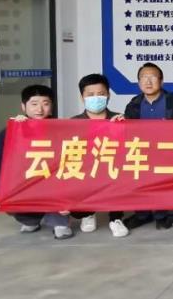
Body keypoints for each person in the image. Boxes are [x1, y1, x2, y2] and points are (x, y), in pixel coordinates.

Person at [0, 85, 74, 240]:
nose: (39, 109)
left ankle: (59, 221)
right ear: (23, 106)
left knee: (61, 192)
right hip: (26, 183)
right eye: (34, 104)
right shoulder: (10, 132)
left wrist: (73, 197)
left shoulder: (62, 130)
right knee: (10, 200)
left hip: (54, 186)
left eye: (45, 103)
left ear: (51, 107)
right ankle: (30, 219)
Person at [122, 63, 173, 231]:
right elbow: (128, 132)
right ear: (139, 82)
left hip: (169, 152)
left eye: (152, 77)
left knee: (163, 181)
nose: (148, 81)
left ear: (161, 81)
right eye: (144, 78)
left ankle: (163, 214)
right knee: (139, 179)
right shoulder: (134, 104)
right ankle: (142, 214)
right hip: (142, 152)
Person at [70, 73, 129, 238]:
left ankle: (116, 218)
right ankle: (87, 213)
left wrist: (123, 128)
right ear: (82, 97)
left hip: (111, 169)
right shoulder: (73, 123)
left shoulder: (119, 118)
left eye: (101, 94)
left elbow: (131, 150)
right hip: (85, 172)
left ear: (108, 95)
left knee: (122, 175)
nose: (96, 98)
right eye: (90, 94)